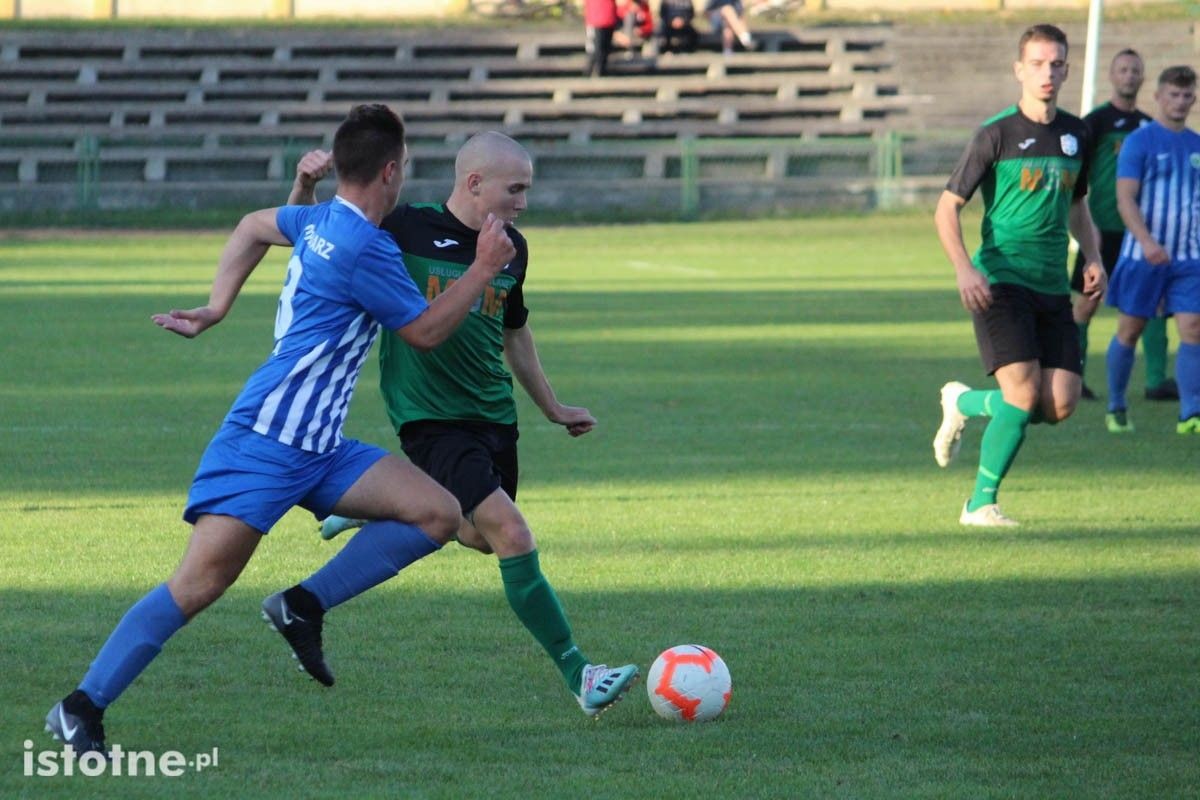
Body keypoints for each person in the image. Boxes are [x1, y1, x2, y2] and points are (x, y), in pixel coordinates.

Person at [42, 104, 518, 755]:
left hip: (320, 445)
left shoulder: (318, 218)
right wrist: (483, 268)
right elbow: (427, 333)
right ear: (389, 171)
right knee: (199, 584)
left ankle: (303, 605)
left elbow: (251, 226)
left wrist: (218, 306)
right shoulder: (365, 248)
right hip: (266, 444)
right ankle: (79, 706)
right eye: (402, 167)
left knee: (436, 513)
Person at [287, 132, 639, 717]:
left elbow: (514, 331)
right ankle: (582, 674)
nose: (524, 201)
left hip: (494, 418)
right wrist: (305, 184)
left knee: (480, 538)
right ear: (475, 183)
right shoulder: (403, 228)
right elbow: (311, 238)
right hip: (432, 419)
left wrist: (551, 406)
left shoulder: (513, 248)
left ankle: (384, 501)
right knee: (513, 533)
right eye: (516, 188)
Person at [931, 24, 1106, 527]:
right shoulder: (996, 134)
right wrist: (965, 269)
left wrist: (1092, 257)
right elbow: (947, 210)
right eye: (1037, 64)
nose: (1047, 73)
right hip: (1001, 280)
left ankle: (962, 401)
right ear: (1018, 70)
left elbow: (1077, 203)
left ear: (1067, 69)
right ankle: (980, 504)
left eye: (1056, 64)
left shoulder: (1077, 134)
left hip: (1053, 283)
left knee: (1060, 404)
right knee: (1023, 394)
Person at [1072, 49, 1176, 404]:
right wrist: (1086, 225)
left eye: (1135, 70)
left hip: (1140, 234)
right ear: (1112, 76)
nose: (1129, 75)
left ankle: (1157, 380)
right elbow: (1077, 177)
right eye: (1123, 70)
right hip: (1101, 230)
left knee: (1157, 303)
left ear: (1143, 79)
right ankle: (1073, 379)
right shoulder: (1096, 122)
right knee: (1086, 304)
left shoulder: (1150, 127)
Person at [1103, 65, 1200, 434]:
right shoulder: (1140, 142)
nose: (1180, 101)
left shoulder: (1196, 145)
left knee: (1193, 326)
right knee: (1130, 329)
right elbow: (1125, 198)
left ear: (1193, 98)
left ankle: (1190, 413)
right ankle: (1116, 406)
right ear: (1158, 96)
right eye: (1173, 94)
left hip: (1188, 257)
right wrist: (1146, 242)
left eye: (1187, 95)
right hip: (1143, 255)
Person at [583, 0, 618, 77]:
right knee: (595, 53)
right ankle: (590, 77)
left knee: (603, 53)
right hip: (596, 19)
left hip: (607, 18)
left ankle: (599, 75)